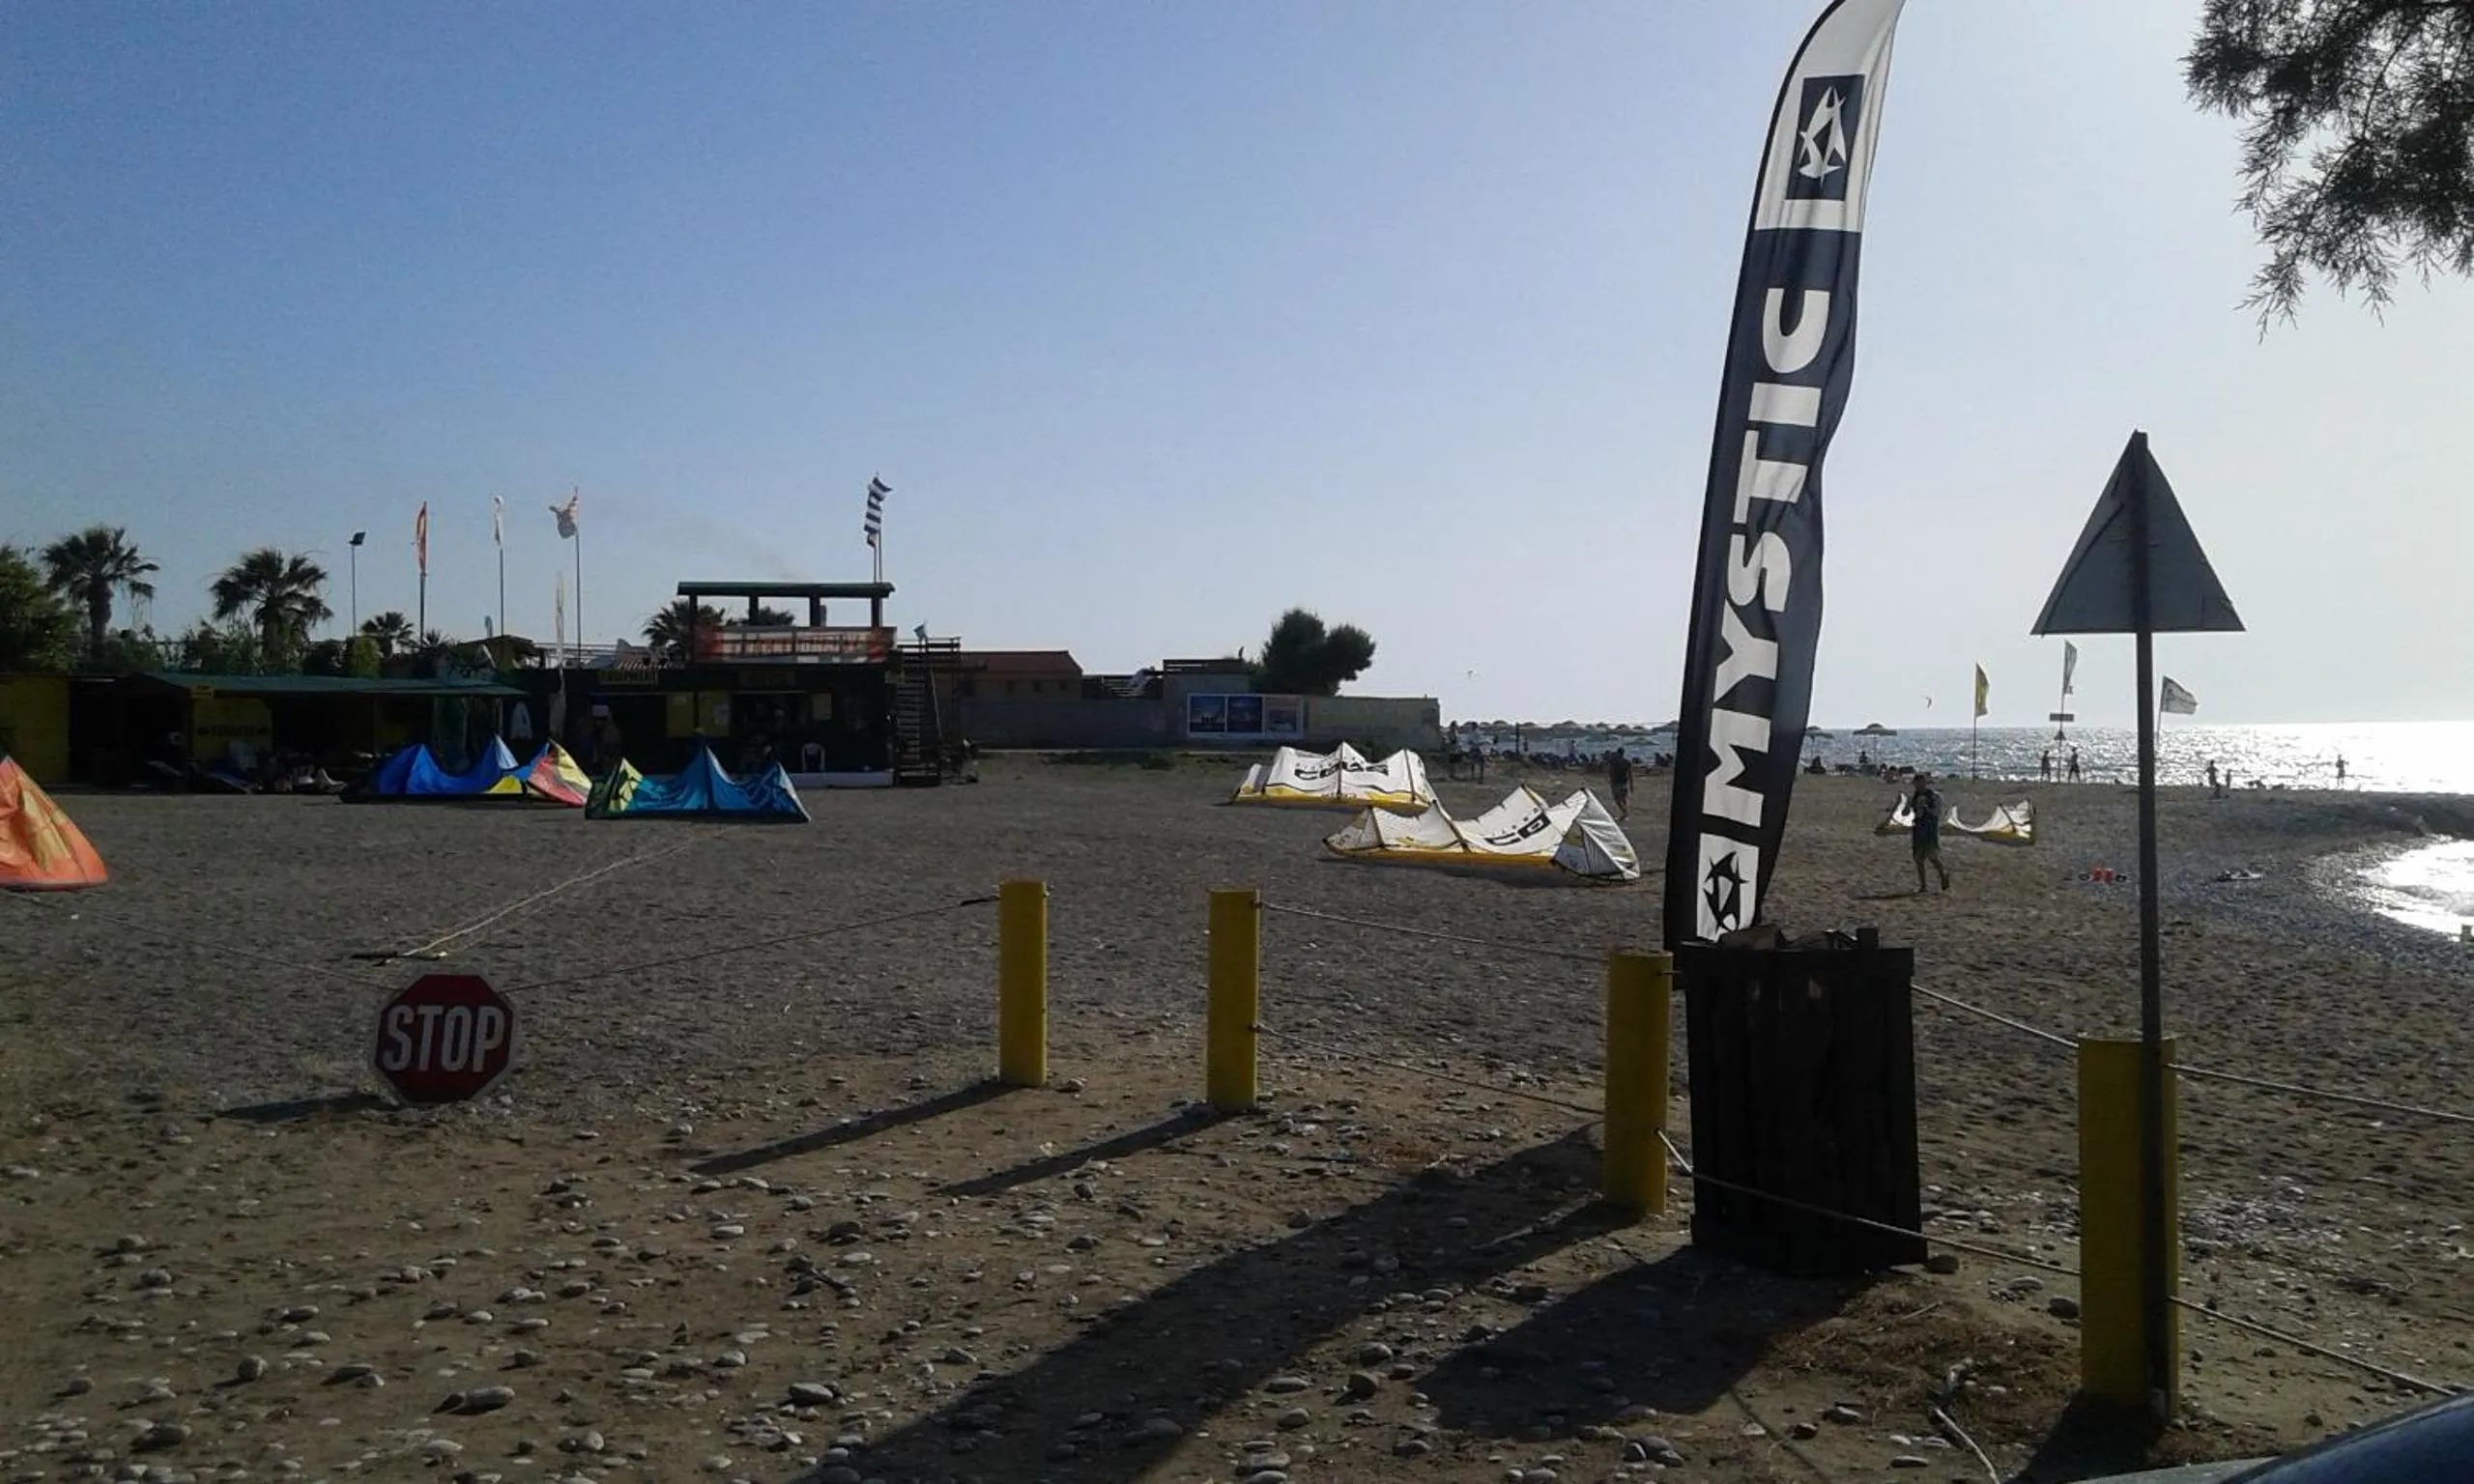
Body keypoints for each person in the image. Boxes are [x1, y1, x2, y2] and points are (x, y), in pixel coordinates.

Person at [1910, 771, 1950, 894]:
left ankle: (1943, 875)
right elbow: (1910, 812)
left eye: (1921, 783)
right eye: (1917, 784)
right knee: (1918, 858)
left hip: (1930, 829)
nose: (1919, 786)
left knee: (1932, 856)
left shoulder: (1933, 796)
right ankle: (1923, 886)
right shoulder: (1915, 796)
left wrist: (1926, 808)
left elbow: (1936, 813)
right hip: (1918, 828)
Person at [1606, 747, 1633, 820]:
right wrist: (1631, 785)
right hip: (1624, 782)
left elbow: (1610, 770)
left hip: (1616, 783)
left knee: (1617, 800)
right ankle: (1625, 814)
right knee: (1623, 799)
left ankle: (1625, 813)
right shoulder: (1626, 762)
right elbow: (1630, 775)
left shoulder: (1614, 762)